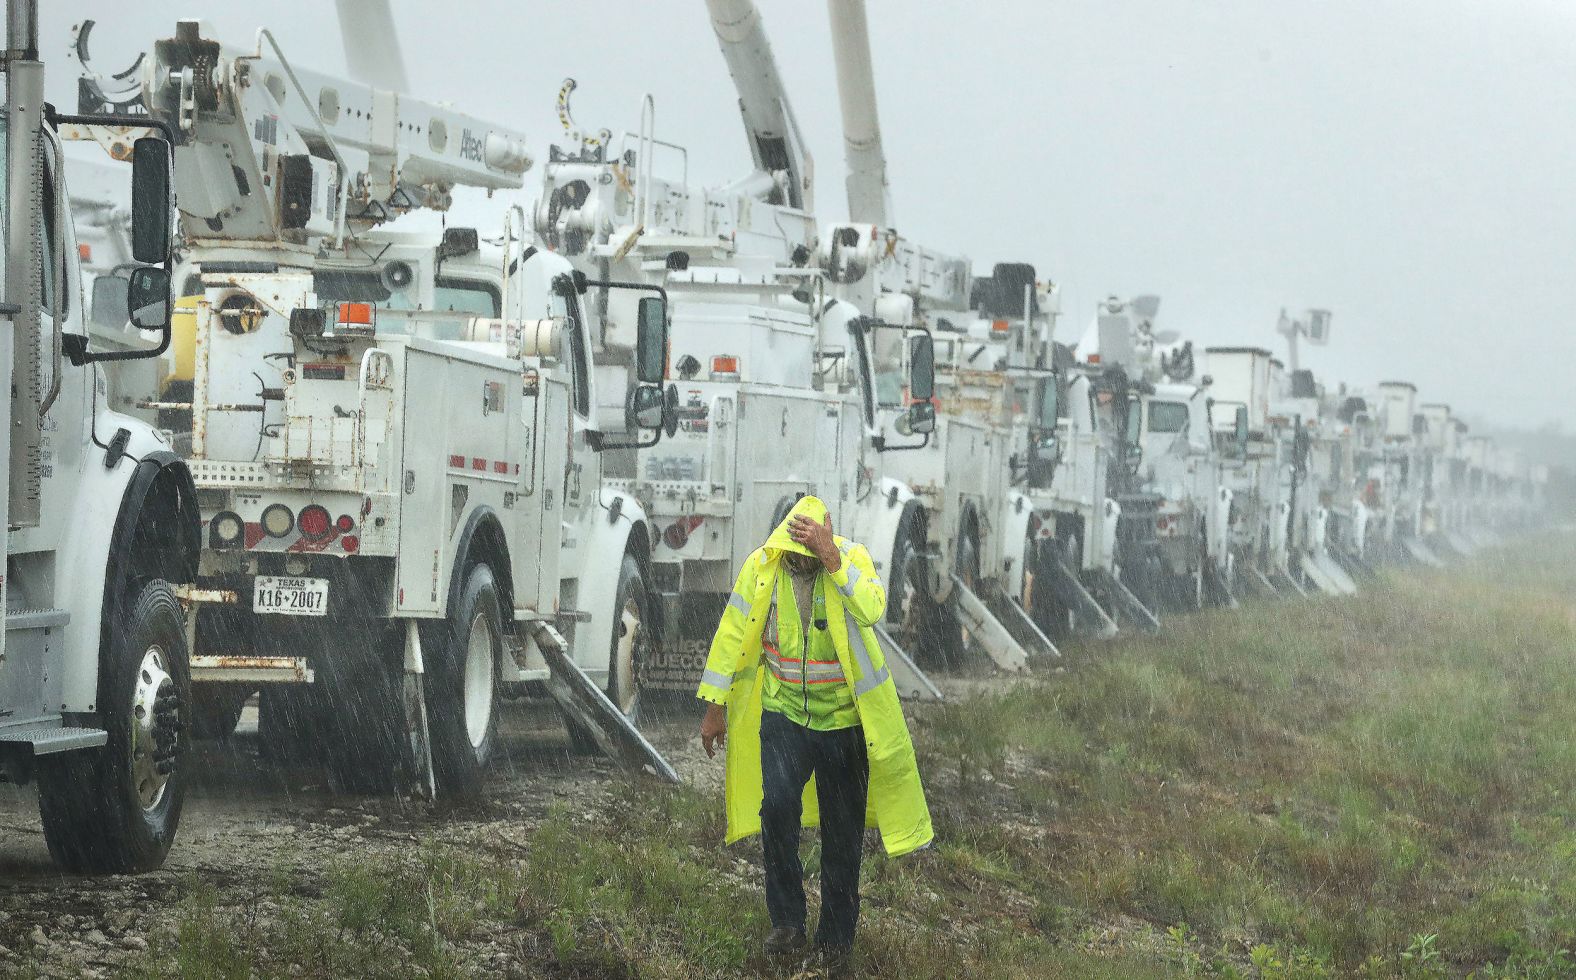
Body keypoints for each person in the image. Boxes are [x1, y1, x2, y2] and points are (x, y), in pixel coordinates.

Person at [696, 495, 932, 973]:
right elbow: (731, 633)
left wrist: (832, 558)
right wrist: (713, 708)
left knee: (842, 836)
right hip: (785, 717)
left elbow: (872, 608)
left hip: (843, 725)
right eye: (795, 547)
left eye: (809, 547)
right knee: (777, 808)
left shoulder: (850, 558)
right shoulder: (764, 570)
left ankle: (835, 941)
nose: (799, 558)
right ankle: (786, 922)